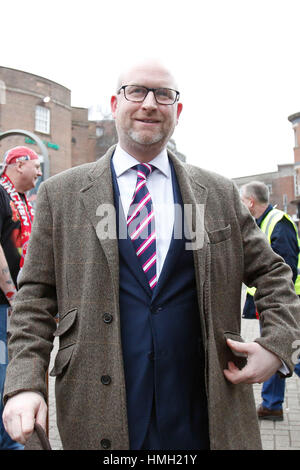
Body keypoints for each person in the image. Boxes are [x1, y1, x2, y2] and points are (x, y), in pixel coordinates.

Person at [2, 60, 300, 451]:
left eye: (164, 95)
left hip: (205, 407)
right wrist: (25, 382)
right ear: (114, 102)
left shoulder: (219, 193)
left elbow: (274, 275)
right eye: (136, 91)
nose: (149, 103)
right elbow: (34, 298)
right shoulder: (62, 195)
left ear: (177, 111)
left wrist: (276, 345)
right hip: (100, 405)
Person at [240, 181, 300, 421]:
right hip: (273, 304)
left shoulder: (279, 222)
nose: (241, 205)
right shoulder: (262, 222)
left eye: (243, 201)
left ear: (251, 202)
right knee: (273, 348)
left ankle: (272, 403)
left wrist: (280, 303)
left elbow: (285, 268)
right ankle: (272, 405)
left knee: (290, 350)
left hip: (288, 303)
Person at [0, 146, 42, 449]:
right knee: (4, 371)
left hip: (13, 303)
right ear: (18, 165)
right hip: (4, 303)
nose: (40, 173)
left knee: (9, 367)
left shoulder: (25, 201)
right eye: (36, 166)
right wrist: (14, 296)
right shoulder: (2, 195)